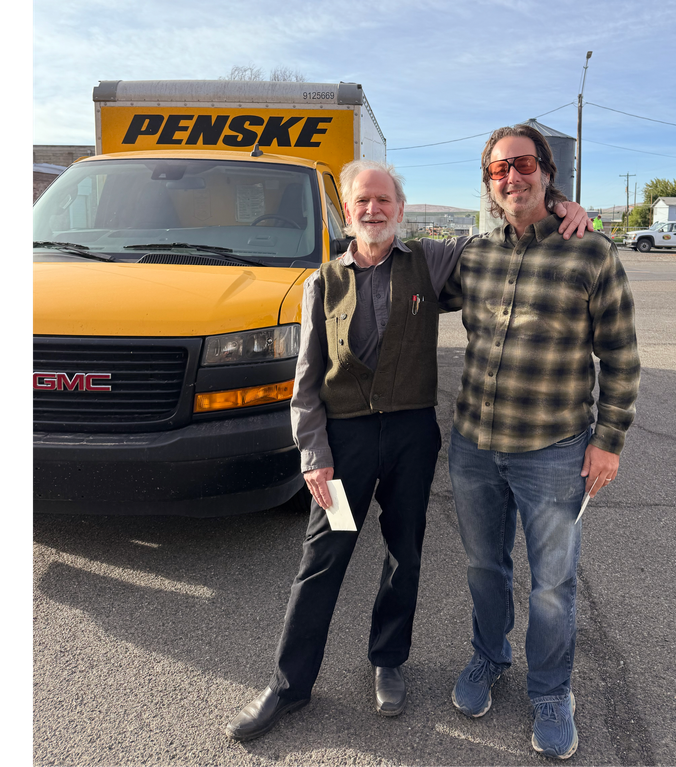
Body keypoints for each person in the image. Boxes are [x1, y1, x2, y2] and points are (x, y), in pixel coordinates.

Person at [225, 159, 592, 742]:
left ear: (400, 208)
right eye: (361, 202)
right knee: (324, 558)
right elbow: (305, 381)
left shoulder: (433, 260)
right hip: (343, 447)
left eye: (383, 200)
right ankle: (289, 685)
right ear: (347, 212)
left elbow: (509, 227)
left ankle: (388, 660)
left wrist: (561, 204)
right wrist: (314, 455)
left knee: (404, 552)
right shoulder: (323, 281)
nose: (373, 210)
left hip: (409, 442)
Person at [441, 125, 640, 760]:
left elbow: (622, 357)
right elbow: (401, 280)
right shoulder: (473, 254)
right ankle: (488, 657)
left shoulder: (593, 253)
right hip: (474, 444)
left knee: (553, 583)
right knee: (483, 566)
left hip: (554, 449)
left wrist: (608, 440)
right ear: (488, 184)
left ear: (548, 172)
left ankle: (552, 690)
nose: (512, 178)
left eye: (523, 165)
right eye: (499, 170)